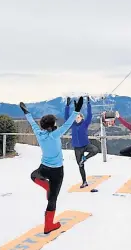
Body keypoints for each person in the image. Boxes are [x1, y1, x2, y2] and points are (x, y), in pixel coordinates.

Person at [20, 96, 84, 234]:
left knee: (34, 175)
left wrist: (27, 112)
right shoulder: (55, 134)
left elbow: (32, 123)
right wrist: (77, 110)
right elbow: (68, 124)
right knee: (53, 199)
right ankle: (49, 226)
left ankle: (46, 186)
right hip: (57, 171)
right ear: (52, 126)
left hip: (43, 168)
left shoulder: (39, 133)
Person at [64, 96, 100, 188]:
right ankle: (84, 182)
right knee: (80, 165)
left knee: (95, 150)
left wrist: (88, 103)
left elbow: (90, 114)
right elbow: (66, 117)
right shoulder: (72, 124)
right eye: (76, 117)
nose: (77, 118)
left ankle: (85, 158)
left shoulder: (85, 123)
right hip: (77, 148)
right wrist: (67, 105)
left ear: (81, 117)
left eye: (78, 116)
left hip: (86, 145)